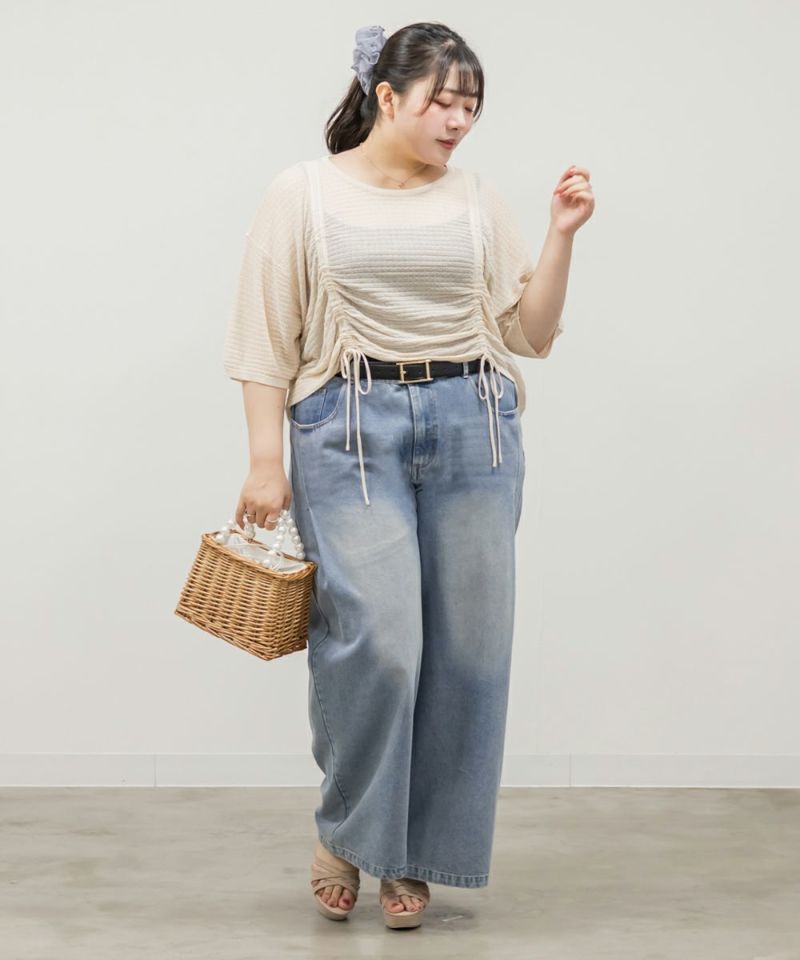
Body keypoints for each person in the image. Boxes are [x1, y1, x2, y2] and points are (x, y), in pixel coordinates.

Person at [223, 21, 593, 928]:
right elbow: (264, 337)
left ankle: (414, 857)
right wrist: (265, 461)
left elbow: (529, 334)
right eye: (444, 102)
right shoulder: (303, 193)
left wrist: (560, 236)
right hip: (347, 426)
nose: (459, 121)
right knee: (379, 643)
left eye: (471, 106)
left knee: (471, 652)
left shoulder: (475, 198)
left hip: (475, 426)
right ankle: (351, 831)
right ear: (387, 97)